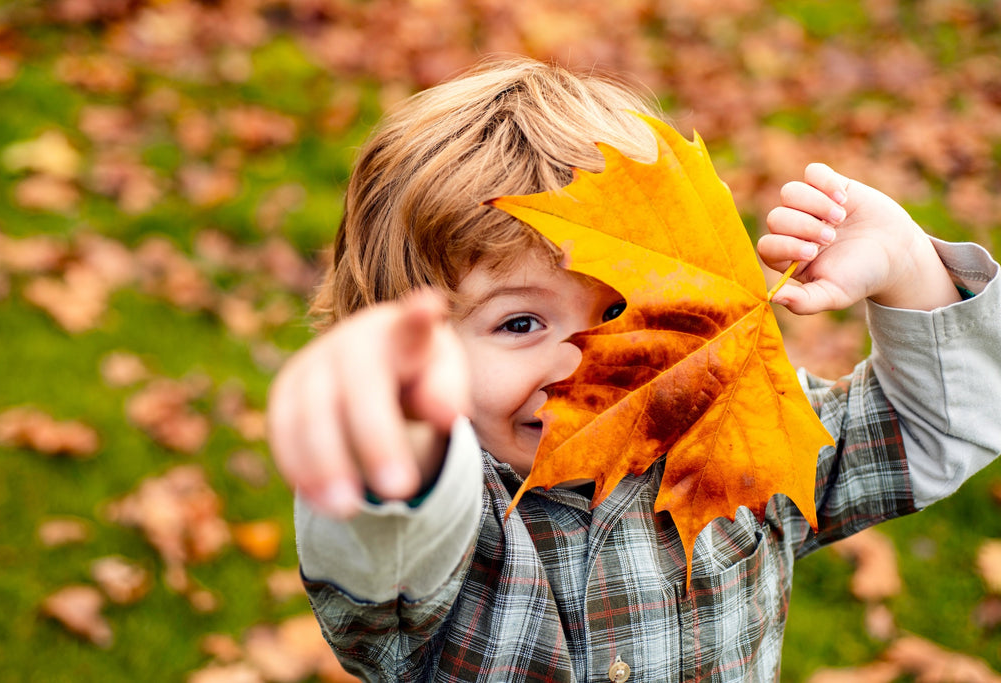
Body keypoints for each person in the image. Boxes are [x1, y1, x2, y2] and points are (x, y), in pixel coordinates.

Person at [267, 56, 1001, 681]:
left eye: (623, 310)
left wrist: (910, 267)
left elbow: (933, 426)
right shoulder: (453, 533)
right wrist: (389, 439)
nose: (583, 360)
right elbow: (381, 549)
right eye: (520, 322)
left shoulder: (735, 434)